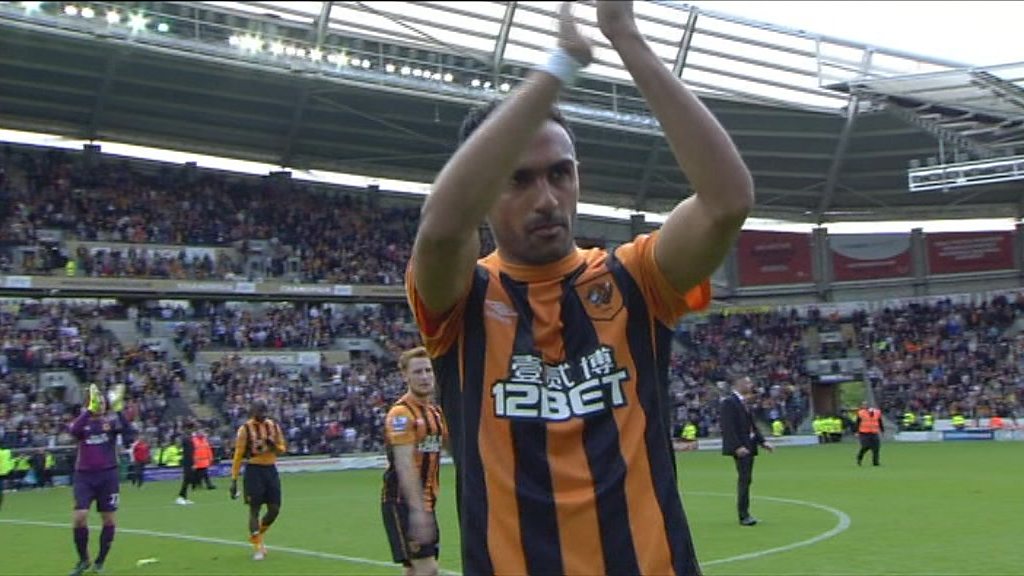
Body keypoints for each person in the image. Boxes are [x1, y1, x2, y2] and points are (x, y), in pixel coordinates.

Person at [404, 1, 753, 572]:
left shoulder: (635, 277)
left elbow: (727, 201)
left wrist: (624, 35)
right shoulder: (464, 296)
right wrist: (559, 66)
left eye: (559, 173)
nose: (546, 198)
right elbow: (441, 229)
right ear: (484, 191)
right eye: (518, 180)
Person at [381, 346, 449, 576]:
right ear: (405, 376)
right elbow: (405, 464)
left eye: (428, 371)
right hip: (403, 502)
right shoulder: (401, 414)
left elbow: (452, 448)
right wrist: (418, 511)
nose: (425, 377)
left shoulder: (435, 413)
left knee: (414, 570)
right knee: (428, 569)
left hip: (427, 502)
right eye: (418, 372)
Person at [67, 383, 132, 575]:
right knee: (80, 517)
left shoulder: (110, 423)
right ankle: (83, 559)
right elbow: (73, 431)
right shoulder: (82, 422)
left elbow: (128, 432)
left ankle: (100, 561)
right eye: (97, 402)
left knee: (108, 519)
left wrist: (119, 410)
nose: (101, 405)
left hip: (108, 476)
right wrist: (88, 412)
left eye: (103, 402)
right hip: (84, 476)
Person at [229, 399, 286, 561]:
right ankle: (258, 546)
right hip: (254, 470)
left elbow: (282, 449)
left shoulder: (273, 426)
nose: (263, 414)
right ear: (253, 412)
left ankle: (257, 535)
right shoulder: (245, 429)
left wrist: (273, 446)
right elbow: (238, 454)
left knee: (274, 509)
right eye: (260, 411)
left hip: (270, 469)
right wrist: (234, 479)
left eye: (265, 411)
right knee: (254, 509)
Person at [719, 375, 774, 526]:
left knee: (747, 479)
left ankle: (745, 513)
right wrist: (737, 446)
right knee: (744, 479)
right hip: (741, 447)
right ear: (739, 384)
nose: (750, 385)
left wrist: (763, 442)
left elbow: (752, 426)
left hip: (749, 446)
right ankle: (743, 515)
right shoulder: (729, 402)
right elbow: (727, 427)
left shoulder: (744, 402)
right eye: (748, 382)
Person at [855, 401, 884, 467]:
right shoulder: (861, 413)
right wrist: (856, 431)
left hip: (874, 432)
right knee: (865, 446)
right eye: (863, 405)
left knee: (876, 448)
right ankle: (859, 457)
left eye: (865, 405)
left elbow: (879, 421)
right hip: (864, 432)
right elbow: (858, 422)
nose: (864, 406)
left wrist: (882, 430)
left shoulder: (877, 412)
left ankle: (875, 462)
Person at [175, 422, 196, 505]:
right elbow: (179, 446)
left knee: (189, 479)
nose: (192, 430)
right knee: (186, 479)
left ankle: (184, 497)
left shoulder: (189, 437)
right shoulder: (185, 437)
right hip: (187, 461)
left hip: (190, 460)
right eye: (191, 429)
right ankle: (180, 497)